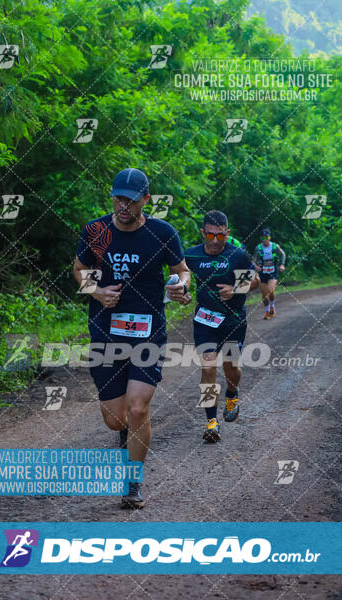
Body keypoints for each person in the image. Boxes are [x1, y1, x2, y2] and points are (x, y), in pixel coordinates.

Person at [73, 168, 190, 508]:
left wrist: (181, 285)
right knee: (116, 419)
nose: (122, 205)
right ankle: (126, 433)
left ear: (145, 200)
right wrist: (96, 292)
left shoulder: (162, 233)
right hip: (106, 334)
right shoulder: (96, 231)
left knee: (138, 408)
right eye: (117, 198)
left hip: (147, 332)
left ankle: (132, 482)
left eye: (130, 199)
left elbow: (181, 270)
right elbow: (78, 269)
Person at [181, 211, 259, 443]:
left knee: (230, 368)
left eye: (220, 236)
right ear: (203, 233)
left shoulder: (237, 255)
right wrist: (182, 293)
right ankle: (211, 422)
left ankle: (232, 393)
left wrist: (235, 289)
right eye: (210, 235)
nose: (215, 241)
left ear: (227, 234)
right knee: (208, 368)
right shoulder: (191, 255)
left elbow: (255, 280)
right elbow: (180, 276)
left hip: (234, 320)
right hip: (205, 321)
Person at [253, 228, 285, 319]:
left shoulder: (275, 246)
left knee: (271, 291)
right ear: (261, 238)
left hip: (272, 272)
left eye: (266, 237)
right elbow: (253, 260)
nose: (265, 239)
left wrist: (282, 264)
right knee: (264, 294)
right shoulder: (258, 248)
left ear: (270, 237)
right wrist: (256, 266)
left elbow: (283, 254)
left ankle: (272, 307)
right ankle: (267, 311)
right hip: (262, 273)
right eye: (263, 237)